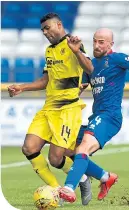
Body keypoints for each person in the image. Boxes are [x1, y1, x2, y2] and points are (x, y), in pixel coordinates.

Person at [8, 13, 94, 205]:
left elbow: (90, 69)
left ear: (59, 25)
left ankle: (82, 178)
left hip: (67, 109)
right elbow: (46, 80)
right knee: (28, 148)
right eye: (43, 30)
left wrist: (77, 51)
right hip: (48, 108)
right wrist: (22, 87)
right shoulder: (49, 51)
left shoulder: (74, 44)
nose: (45, 32)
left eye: (48, 28)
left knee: (56, 159)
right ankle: (56, 191)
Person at [59, 28, 129, 203]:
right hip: (96, 116)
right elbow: (79, 88)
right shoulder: (90, 65)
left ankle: (68, 188)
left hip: (110, 116)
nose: (96, 45)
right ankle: (106, 177)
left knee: (82, 149)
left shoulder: (117, 58)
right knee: (67, 151)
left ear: (111, 44)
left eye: (101, 42)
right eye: (94, 41)